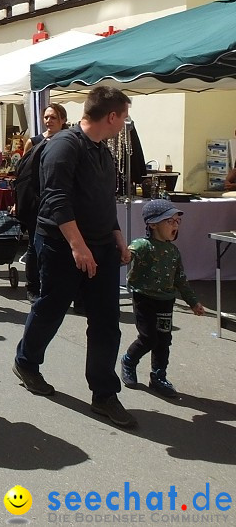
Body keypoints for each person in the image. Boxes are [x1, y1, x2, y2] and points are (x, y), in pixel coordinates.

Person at [13, 86, 137, 428]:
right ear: (111, 116)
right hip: (60, 243)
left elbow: (102, 202)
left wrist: (118, 238)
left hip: (100, 245)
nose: (124, 124)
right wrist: (78, 246)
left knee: (106, 320)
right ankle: (26, 361)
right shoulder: (63, 146)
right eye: (123, 117)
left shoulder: (103, 152)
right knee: (51, 308)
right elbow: (56, 200)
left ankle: (104, 393)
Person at [120, 200, 206, 398]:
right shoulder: (142, 245)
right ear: (153, 224)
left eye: (177, 221)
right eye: (170, 221)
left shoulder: (174, 252)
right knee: (149, 338)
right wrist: (123, 256)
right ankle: (129, 360)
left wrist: (193, 302)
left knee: (164, 341)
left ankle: (158, 376)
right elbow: (127, 255)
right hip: (145, 298)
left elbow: (181, 280)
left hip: (166, 300)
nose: (175, 225)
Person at [21, 103, 69, 298]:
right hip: (37, 201)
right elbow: (23, 174)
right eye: (46, 117)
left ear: (63, 120)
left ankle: (57, 285)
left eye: (53, 118)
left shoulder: (69, 141)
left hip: (60, 200)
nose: (48, 121)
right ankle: (33, 286)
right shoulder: (34, 142)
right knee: (34, 244)